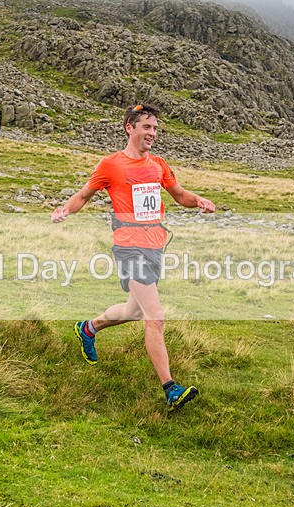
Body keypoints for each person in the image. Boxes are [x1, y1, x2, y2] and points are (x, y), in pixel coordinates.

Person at [51, 103, 216, 412]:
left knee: (134, 311)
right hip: (129, 246)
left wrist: (199, 201)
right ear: (130, 128)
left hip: (154, 245)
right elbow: (84, 195)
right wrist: (64, 210)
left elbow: (180, 195)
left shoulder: (159, 165)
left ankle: (88, 328)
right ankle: (171, 389)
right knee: (155, 316)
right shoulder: (110, 164)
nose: (152, 133)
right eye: (146, 127)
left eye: (155, 128)